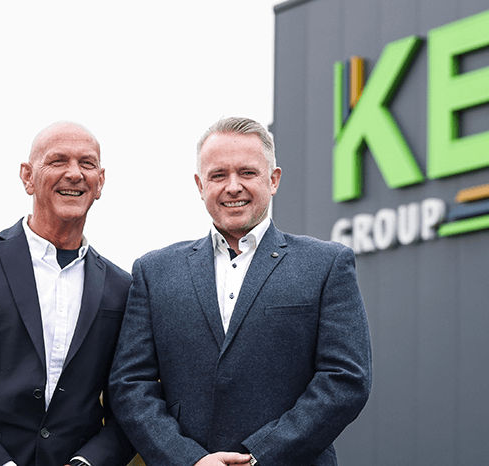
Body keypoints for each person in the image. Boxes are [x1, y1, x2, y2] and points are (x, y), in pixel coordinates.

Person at [109, 117, 372, 466]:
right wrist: (189, 460)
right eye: (218, 175)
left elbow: (346, 380)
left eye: (247, 173)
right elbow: (130, 384)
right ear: (200, 184)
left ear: (273, 179)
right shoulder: (154, 272)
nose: (233, 187)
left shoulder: (326, 265)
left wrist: (259, 456)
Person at [0, 121, 135, 466]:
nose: (74, 174)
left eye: (87, 164)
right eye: (58, 161)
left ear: (100, 182)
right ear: (28, 176)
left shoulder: (122, 288)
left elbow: (130, 403)